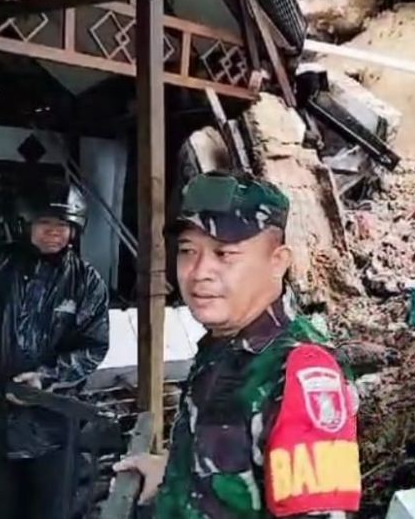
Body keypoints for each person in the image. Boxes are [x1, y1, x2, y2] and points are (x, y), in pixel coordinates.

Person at [114, 171, 362, 518]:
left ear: (278, 262)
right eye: (187, 251)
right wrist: (174, 473)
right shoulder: (224, 342)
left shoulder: (300, 370)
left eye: (224, 254)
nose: (199, 271)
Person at [0, 178, 110, 519]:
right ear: (25, 223)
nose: (55, 233)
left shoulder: (86, 281)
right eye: (46, 223)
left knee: (51, 510)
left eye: (64, 225)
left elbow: (93, 345)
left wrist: (46, 377)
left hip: (53, 424)